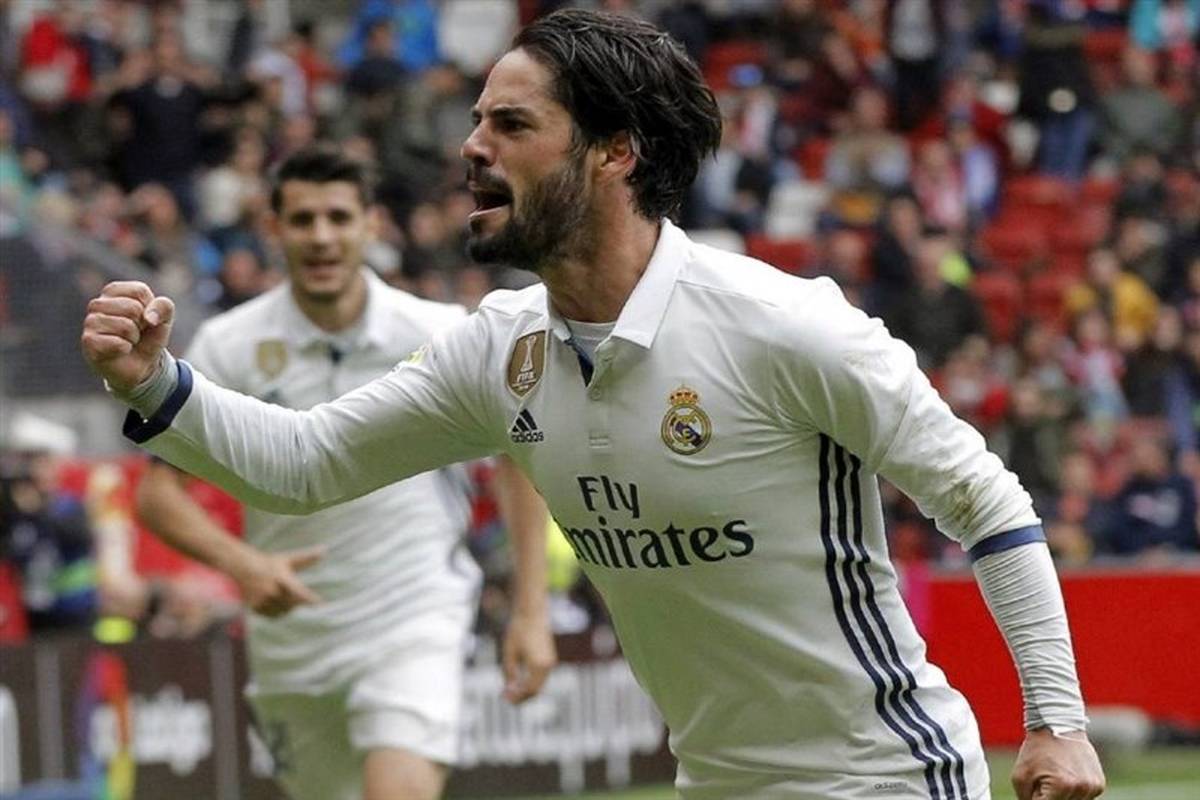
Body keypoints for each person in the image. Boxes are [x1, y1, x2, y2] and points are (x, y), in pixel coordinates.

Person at [81, 10, 1106, 800]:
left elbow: (987, 501)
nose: (472, 147)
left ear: (615, 152)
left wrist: (1056, 719)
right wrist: (156, 383)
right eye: (477, 120)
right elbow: (305, 463)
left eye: (512, 125)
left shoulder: (783, 325)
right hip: (715, 781)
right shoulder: (499, 348)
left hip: (884, 776)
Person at [130, 147, 555, 800]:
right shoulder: (229, 346)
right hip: (293, 636)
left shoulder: (439, 332)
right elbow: (158, 494)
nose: (322, 236)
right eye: (303, 220)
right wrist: (244, 565)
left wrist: (531, 610)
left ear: (371, 224)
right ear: (272, 229)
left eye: (338, 217)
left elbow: (517, 456)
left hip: (414, 614)